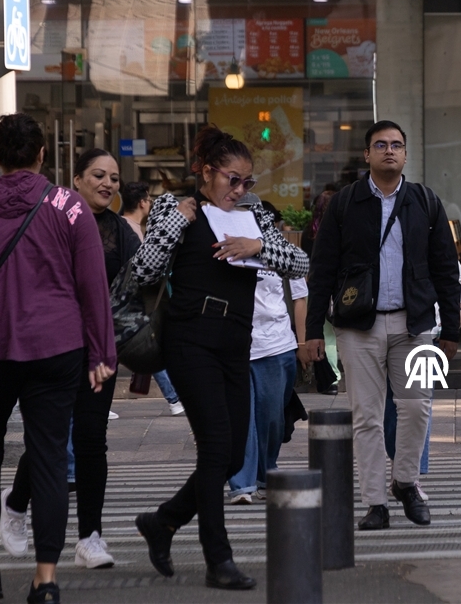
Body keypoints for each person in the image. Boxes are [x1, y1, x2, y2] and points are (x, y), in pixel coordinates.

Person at [131, 126, 308, 590]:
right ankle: (218, 559)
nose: (240, 190)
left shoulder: (255, 215)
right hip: (189, 341)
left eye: (248, 182)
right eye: (232, 179)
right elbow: (143, 269)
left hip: (236, 342)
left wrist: (259, 247)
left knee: (231, 457)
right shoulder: (174, 207)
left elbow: (301, 262)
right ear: (206, 173)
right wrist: (177, 223)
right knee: (215, 447)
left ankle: (163, 521)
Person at [0, 114, 115, 604]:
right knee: (48, 458)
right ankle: (45, 580)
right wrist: (102, 351)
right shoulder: (69, 206)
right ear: (43, 154)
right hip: (58, 347)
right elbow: (93, 286)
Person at [305, 119, 461, 531]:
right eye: (381, 145)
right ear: (367, 155)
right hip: (359, 327)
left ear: (406, 154)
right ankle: (375, 502)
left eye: (396, 145)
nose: (389, 150)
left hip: (416, 325)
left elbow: (446, 268)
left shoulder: (425, 202)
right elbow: (321, 271)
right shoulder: (344, 204)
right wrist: (309, 333)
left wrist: (451, 331)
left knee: (415, 407)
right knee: (367, 416)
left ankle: (406, 482)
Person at [1, 149, 138, 571]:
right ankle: (16, 503)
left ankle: (90, 538)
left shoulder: (120, 229)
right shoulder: (54, 216)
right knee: (52, 437)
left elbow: (142, 275)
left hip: (99, 348)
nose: (108, 184)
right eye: (98, 175)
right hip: (54, 344)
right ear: (75, 179)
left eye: (114, 178)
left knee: (92, 440)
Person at [228, 198, 308, 505]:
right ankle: (242, 483)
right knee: (241, 417)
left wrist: (302, 343)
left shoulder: (276, 250)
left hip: (276, 346)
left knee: (272, 419)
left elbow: (300, 297)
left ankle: (265, 473)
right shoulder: (220, 247)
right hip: (235, 345)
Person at [382, 262, 461, 499]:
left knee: (420, 406)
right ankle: (399, 470)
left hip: (424, 335)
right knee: (388, 409)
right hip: (381, 335)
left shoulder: (428, 235)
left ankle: (410, 478)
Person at [120, 181, 185, 416]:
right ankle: (174, 398)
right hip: (132, 302)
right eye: (148, 200)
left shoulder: (126, 226)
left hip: (130, 302)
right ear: (142, 202)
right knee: (147, 345)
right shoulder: (131, 230)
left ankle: (174, 398)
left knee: (146, 345)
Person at [301, 189, 340, 395]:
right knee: (331, 336)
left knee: (323, 333)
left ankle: (327, 376)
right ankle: (333, 376)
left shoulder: (309, 232)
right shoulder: (339, 228)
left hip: (311, 288)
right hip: (334, 289)